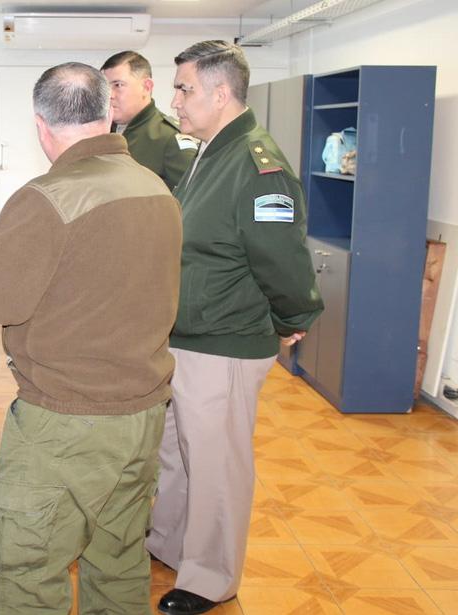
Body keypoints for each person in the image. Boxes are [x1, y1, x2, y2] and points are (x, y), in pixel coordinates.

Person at [0, 62, 182, 615]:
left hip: (67, 424)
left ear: (41, 125)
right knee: (119, 560)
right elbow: (89, 270)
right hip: (142, 414)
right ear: (107, 114)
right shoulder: (153, 188)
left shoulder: (47, 196)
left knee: (27, 570)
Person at [146, 41, 324, 615]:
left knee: (216, 463)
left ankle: (210, 579)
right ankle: (171, 545)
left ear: (221, 93)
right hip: (188, 336)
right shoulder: (210, 152)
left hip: (224, 341)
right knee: (178, 453)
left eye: (184, 89)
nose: (175, 101)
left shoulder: (255, 165)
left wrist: (293, 319)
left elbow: (283, 260)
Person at [101, 50, 198, 191]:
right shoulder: (103, 134)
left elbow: (195, 195)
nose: (110, 95)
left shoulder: (170, 139)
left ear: (147, 87)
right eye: (105, 87)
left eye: (118, 85)